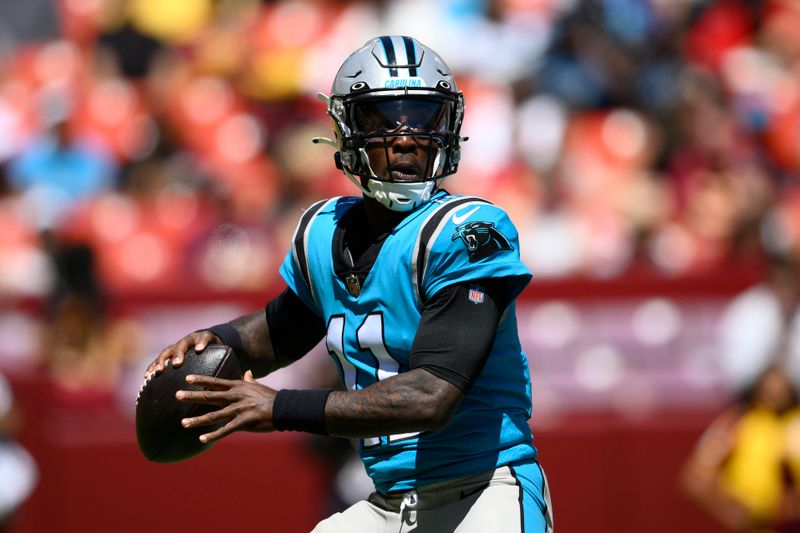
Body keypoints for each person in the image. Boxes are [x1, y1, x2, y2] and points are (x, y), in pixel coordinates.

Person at [145, 35, 553, 533]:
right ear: (347, 131)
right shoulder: (323, 231)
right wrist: (220, 341)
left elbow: (432, 395)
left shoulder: (465, 231)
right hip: (390, 502)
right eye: (384, 120)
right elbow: (281, 329)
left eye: (424, 119)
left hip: (483, 492)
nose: (406, 137)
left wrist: (280, 408)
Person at [681, 365, 800, 532]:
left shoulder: (795, 425)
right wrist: (731, 514)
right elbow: (696, 479)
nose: (775, 394)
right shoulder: (736, 423)